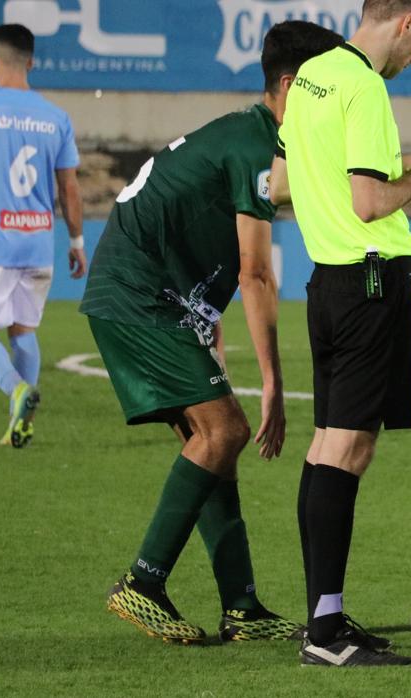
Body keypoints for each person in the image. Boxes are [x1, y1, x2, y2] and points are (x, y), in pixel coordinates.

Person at [79, 21, 345, 645]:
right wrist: (274, 384)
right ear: (290, 86)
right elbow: (256, 274)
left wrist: (207, 328)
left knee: (214, 443)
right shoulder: (258, 148)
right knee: (225, 429)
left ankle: (242, 607)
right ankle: (143, 584)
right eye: (326, 88)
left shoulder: (246, 136)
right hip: (140, 296)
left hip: (153, 295)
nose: (336, 100)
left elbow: (200, 244)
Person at [268, 0, 411, 667]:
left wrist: (368, 171)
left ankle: (325, 615)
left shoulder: (313, 76)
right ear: (404, 22)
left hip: (328, 283)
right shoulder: (364, 86)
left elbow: (281, 184)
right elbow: (370, 203)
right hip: (369, 283)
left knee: (326, 448)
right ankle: (325, 636)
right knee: (345, 452)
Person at [0, 23, 85, 448]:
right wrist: (78, 242)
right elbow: (70, 187)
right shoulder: (55, 117)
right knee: (23, 332)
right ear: (31, 62)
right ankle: (20, 422)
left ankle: (16, 389)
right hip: (40, 243)